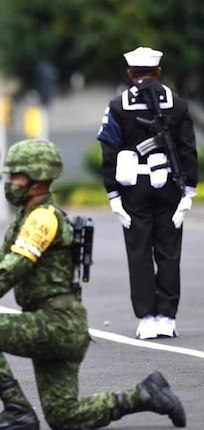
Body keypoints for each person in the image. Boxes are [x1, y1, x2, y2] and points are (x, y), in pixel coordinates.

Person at [0, 138, 186, 430]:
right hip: (57, 324)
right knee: (63, 415)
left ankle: (16, 410)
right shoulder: (26, 217)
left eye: (16, 175)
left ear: (37, 178)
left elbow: (15, 266)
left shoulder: (44, 219)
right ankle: (144, 395)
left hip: (56, 324)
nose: (9, 182)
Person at [97, 46, 198, 339]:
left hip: (133, 189)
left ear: (130, 74)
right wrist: (189, 191)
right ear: (159, 72)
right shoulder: (177, 104)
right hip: (170, 186)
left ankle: (147, 318)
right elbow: (188, 150)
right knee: (169, 251)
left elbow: (109, 150)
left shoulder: (118, 105)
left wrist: (113, 195)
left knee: (139, 251)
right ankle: (167, 316)